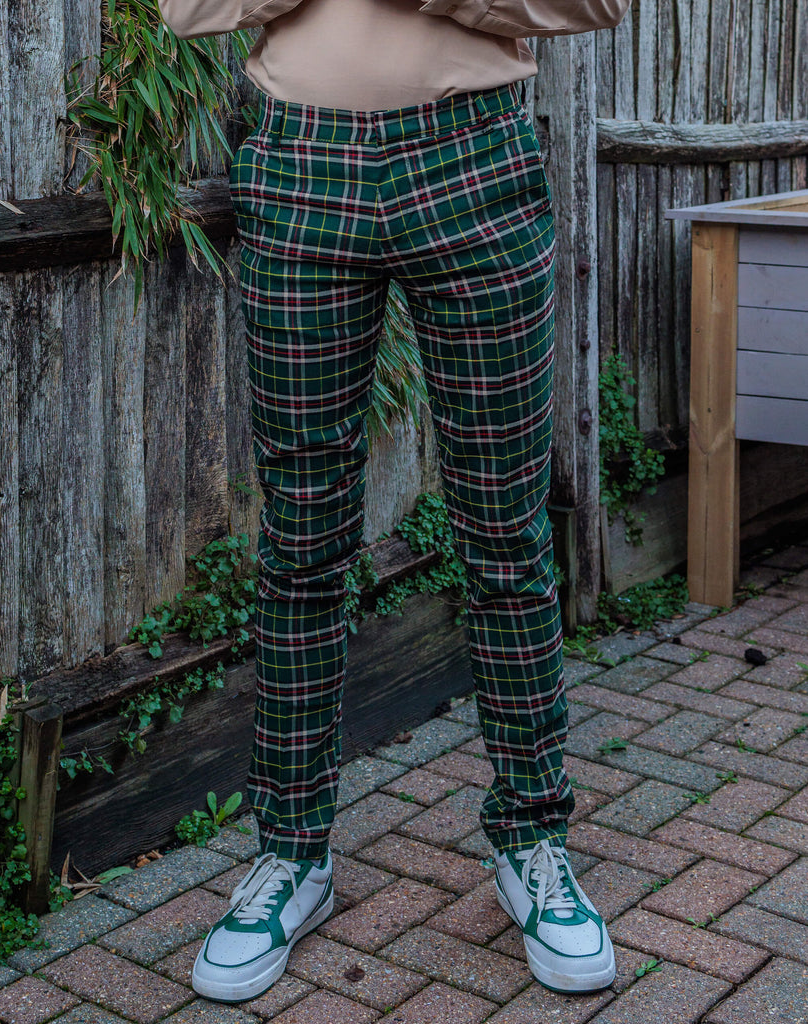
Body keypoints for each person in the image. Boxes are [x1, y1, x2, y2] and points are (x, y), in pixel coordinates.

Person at [159, 0, 630, 1005]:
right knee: (301, 545)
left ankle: (534, 840)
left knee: (505, 530)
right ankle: (293, 855)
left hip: (478, 166)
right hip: (300, 163)